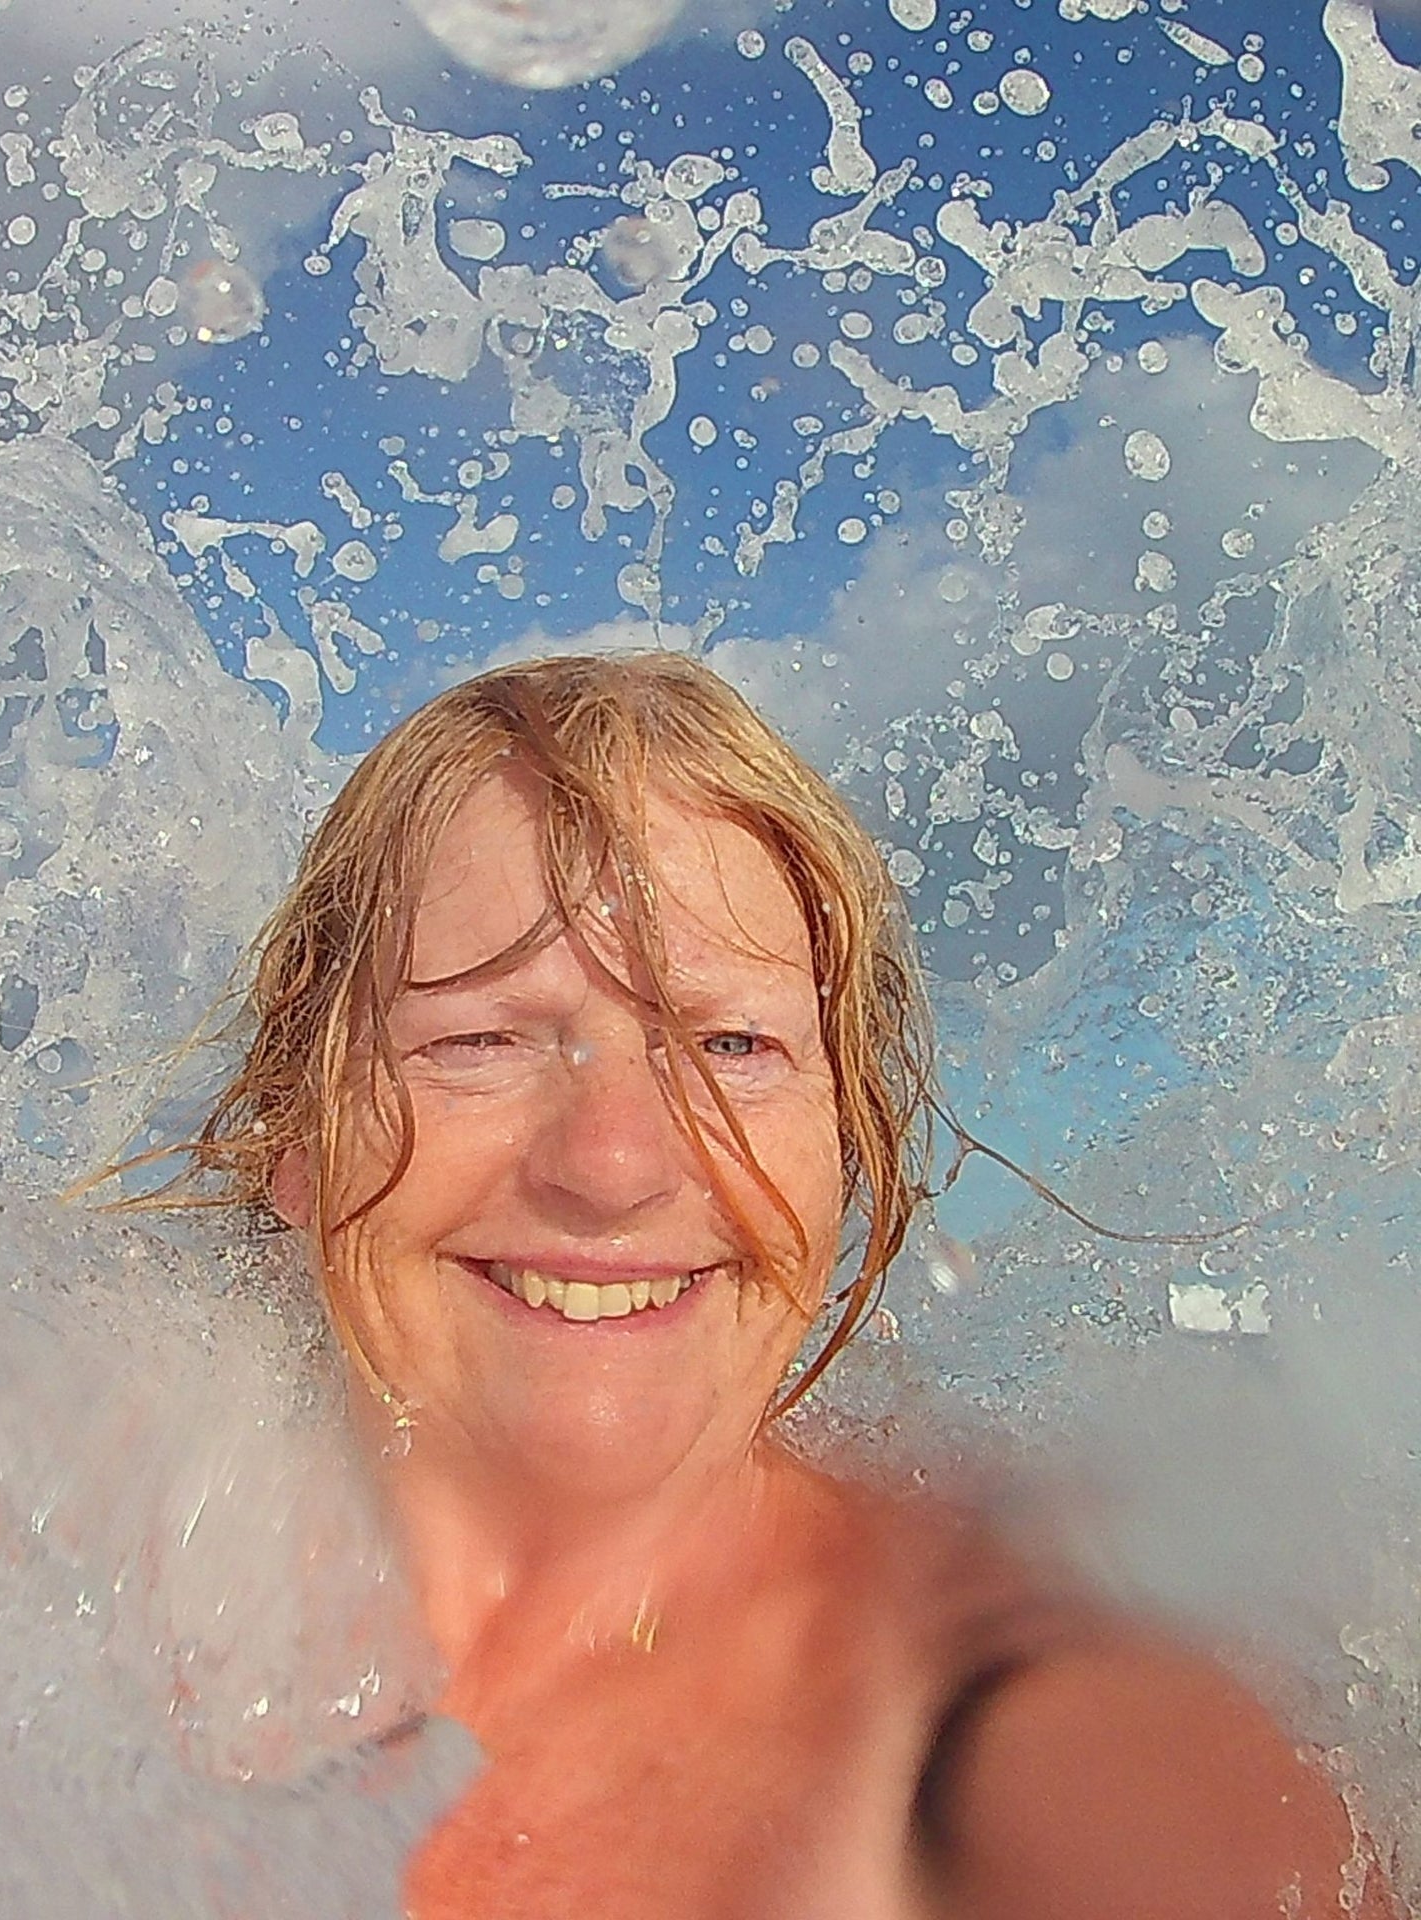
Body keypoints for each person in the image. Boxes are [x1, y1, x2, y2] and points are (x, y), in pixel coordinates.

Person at [112, 652, 1387, 1918]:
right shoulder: (64, 1580)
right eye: (480, 1040)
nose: (613, 1163)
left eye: (733, 1046)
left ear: (847, 1142)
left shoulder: (1016, 1745)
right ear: (294, 1128)